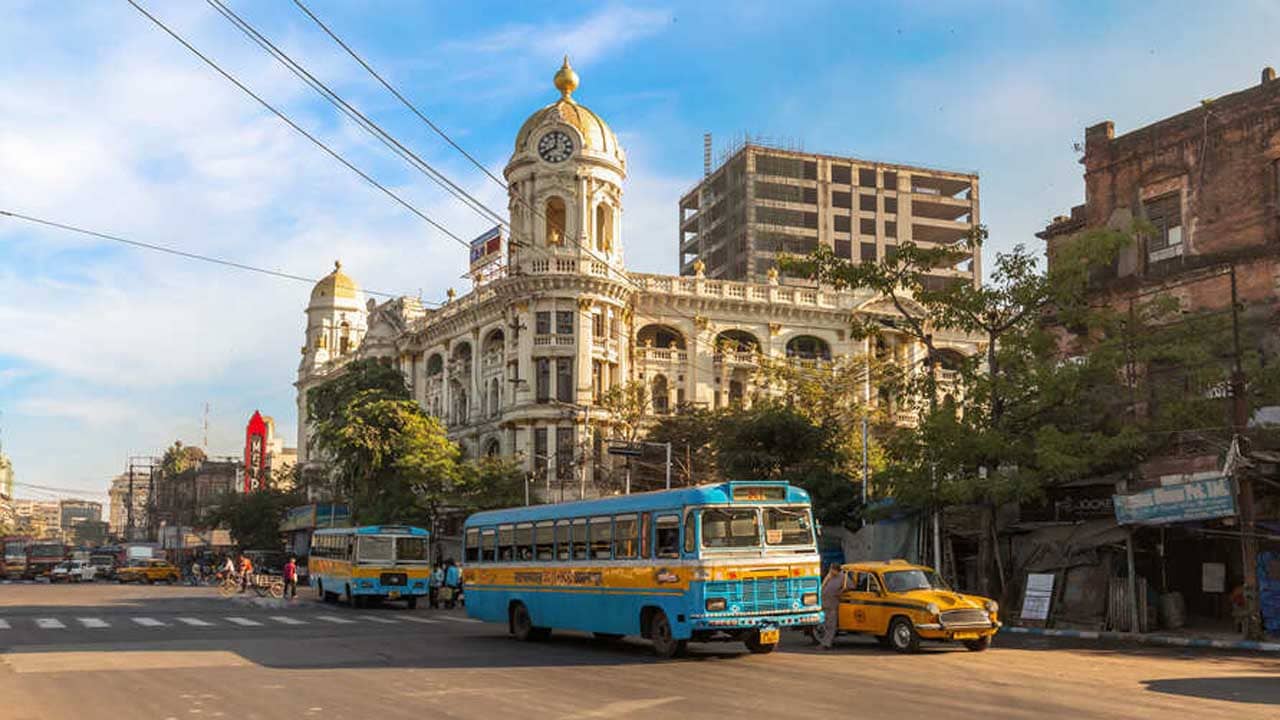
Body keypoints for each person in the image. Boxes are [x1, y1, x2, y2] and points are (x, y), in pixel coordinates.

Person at [817, 563, 846, 649]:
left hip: (832, 604)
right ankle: (824, 642)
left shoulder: (843, 577)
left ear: (836, 570)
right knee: (824, 625)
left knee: (831, 625)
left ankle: (826, 644)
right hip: (824, 604)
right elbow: (822, 587)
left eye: (832, 569)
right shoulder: (830, 576)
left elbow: (850, 586)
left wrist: (840, 593)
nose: (830, 571)